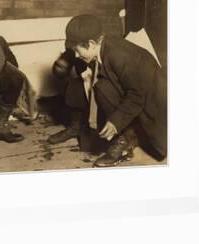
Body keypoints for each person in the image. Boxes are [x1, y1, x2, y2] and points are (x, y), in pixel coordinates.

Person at [63, 14, 167, 167]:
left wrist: (115, 122)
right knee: (102, 87)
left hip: (156, 104)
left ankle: (127, 140)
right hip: (140, 94)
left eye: (77, 50)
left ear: (91, 43)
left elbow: (137, 94)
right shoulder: (104, 47)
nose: (76, 55)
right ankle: (127, 136)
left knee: (103, 88)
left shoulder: (118, 55)